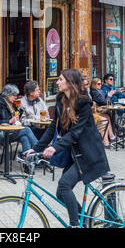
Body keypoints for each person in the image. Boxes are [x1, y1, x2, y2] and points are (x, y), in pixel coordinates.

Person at [26, 69, 110, 228]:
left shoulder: (83, 102)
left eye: (60, 79)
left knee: (64, 185)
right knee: (61, 192)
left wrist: (55, 148)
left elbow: (75, 132)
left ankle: (75, 225)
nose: (57, 82)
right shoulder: (60, 99)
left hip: (88, 153)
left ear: (70, 82)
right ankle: (85, 220)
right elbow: (52, 128)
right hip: (74, 153)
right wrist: (35, 148)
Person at [0, 84, 38, 153]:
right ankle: (39, 150)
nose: (16, 97)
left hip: (9, 132)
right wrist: (9, 120)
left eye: (16, 95)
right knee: (27, 130)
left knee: (24, 138)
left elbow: (15, 118)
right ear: (7, 94)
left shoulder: (9, 104)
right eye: (14, 95)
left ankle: (27, 160)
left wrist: (19, 109)